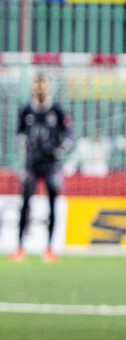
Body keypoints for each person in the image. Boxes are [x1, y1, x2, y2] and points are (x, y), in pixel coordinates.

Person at [12, 74, 72, 263]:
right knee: (24, 203)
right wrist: (24, 148)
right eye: (37, 85)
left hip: (51, 164)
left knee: (52, 203)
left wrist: (58, 150)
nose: (40, 89)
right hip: (31, 164)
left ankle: (49, 248)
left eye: (43, 85)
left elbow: (69, 136)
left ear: (49, 88)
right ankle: (20, 247)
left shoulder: (57, 110)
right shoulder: (26, 111)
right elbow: (19, 135)